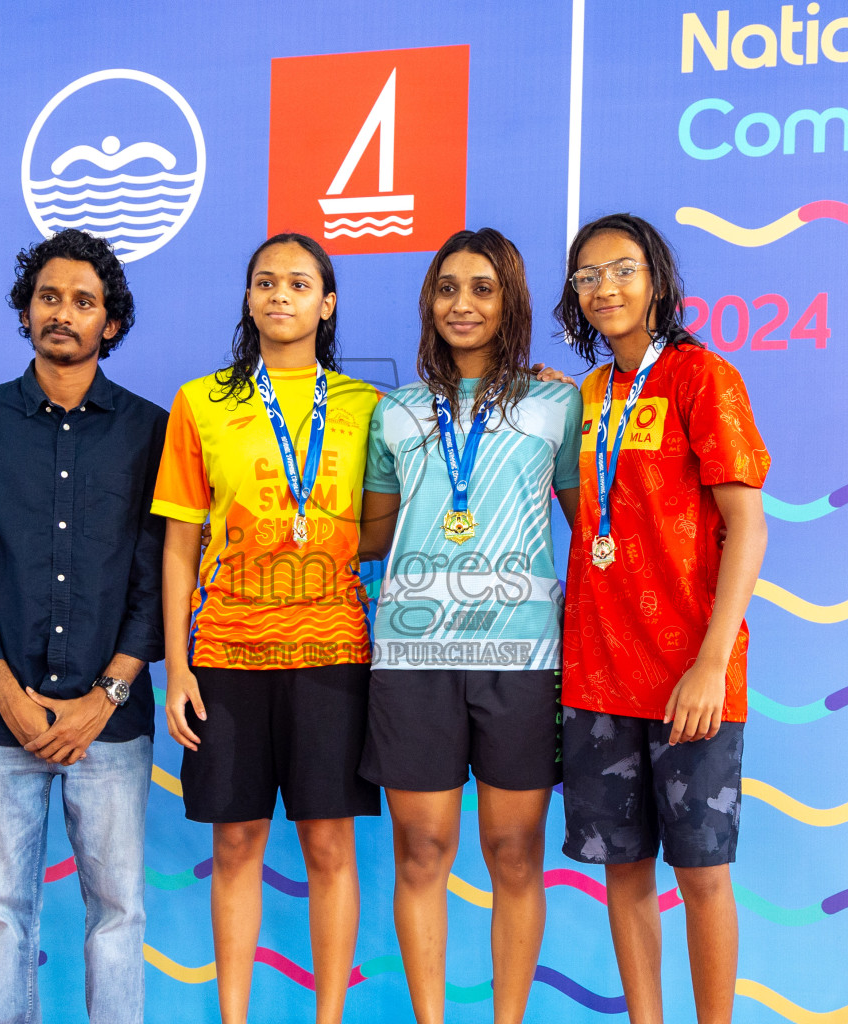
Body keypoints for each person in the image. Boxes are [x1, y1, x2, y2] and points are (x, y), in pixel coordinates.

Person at [0, 227, 166, 1024]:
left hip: (114, 719)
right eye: (49, 297)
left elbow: (157, 581)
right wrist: (14, 701)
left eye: (84, 301)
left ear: (112, 322)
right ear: (26, 310)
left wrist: (102, 698)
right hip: (0, 723)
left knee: (118, 914)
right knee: (0, 914)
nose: (63, 313)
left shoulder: (152, 431)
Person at [151, 233, 381, 1024]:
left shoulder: (365, 408)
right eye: (264, 282)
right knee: (236, 846)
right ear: (248, 300)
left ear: (328, 301)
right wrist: (177, 669)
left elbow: (385, 528)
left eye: (297, 282)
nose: (279, 295)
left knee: (327, 848)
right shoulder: (201, 403)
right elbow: (180, 548)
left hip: (333, 653)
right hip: (226, 657)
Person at [357, 228, 582, 1024]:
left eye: (482, 288)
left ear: (511, 300)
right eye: (447, 287)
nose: (462, 303)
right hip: (414, 661)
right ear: (429, 301)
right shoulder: (395, 413)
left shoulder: (561, 403)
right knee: (421, 852)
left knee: (515, 855)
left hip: (521, 661)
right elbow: (371, 538)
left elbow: (595, 526)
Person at [556, 214, 768, 1024]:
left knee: (704, 874)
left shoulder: (700, 376)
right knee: (623, 870)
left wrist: (713, 662)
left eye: (621, 269)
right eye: (586, 276)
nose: (604, 287)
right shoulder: (589, 393)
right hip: (600, 673)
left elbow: (747, 525)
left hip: (692, 675)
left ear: (657, 280)